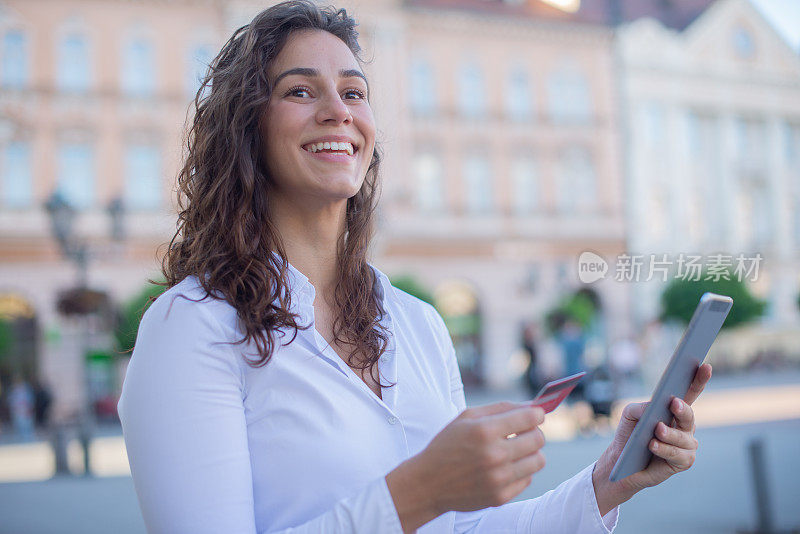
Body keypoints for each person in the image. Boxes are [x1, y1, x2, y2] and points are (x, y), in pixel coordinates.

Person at [117, 2, 712, 533]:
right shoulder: (191, 327)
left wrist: (610, 479)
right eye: (299, 91)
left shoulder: (417, 323)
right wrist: (420, 490)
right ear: (246, 126)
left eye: (354, 92)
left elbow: (473, 528)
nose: (337, 111)